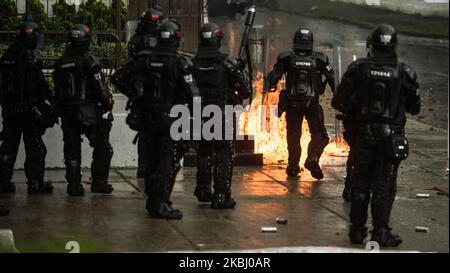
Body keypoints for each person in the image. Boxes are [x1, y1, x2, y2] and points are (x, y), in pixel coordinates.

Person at [332, 25, 420, 246]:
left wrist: (356, 109)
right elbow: (415, 107)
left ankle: (357, 230)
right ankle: (380, 231)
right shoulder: (405, 73)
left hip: (363, 135)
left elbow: (338, 102)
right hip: (390, 138)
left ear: (371, 45)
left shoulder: (358, 69)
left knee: (361, 183)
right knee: (384, 185)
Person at [112, 20, 199, 219]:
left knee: (151, 161)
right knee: (168, 162)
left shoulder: (145, 59)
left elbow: (118, 78)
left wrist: (137, 96)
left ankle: (154, 201)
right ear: (177, 39)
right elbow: (193, 96)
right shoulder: (179, 63)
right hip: (170, 120)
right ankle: (159, 204)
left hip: (148, 118)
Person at [192, 23, 251, 209]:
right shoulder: (226, 64)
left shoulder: (193, 63)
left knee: (204, 151)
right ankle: (220, 195)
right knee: (224, 154)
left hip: (199, 114)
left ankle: (202, 190)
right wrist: (239, 73)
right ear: (218, 40)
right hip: (222, 115)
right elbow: (246, 90)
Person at [53, 24, 114, 196]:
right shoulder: (90, 61)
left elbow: (56, 92)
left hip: (67, 113)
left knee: (71, 147)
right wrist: (107, 105)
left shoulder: (60, 63)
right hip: (88, 113)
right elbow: (101, 89)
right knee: (103, 147)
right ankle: (99, 183)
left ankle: (74, 185)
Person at [267, 28, 335, 179]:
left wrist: (270, 85)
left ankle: (292, 167)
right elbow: (333, 79)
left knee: (293, 136)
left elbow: (272, 79)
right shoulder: (320, 59)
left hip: (292, 104)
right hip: (312, 103)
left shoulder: (286, 58)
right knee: (320, 135)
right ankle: (312, 159)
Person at [0, 19, 56, 194]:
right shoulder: (30, 56)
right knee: (36, 147)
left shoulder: (7, 55)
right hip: (27, 110)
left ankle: (3, 182)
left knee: (8, 146)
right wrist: (49, 100)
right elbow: (38, 85)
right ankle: (35, 184)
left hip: (9, 110)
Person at [127, 5, 166, 178]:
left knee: (145, 133)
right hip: (152, 93)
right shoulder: (149, 43)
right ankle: (152, 167)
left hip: (141, 93)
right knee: (155, 133)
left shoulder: (135, 40)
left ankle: (144, 166)